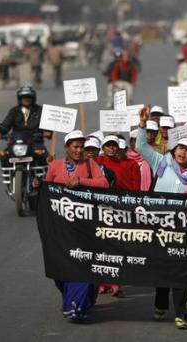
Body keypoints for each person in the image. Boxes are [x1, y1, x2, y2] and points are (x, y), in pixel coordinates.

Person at [136, 106, 187, 330]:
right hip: (160, 227)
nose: (183, 153)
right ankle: (161, 303)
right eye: (180, 148)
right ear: (174, 150)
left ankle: (181, 314)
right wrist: (143, 125)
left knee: (182, 271)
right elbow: (140, 146)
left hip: (183, 229)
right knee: (163, 268)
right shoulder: (161, 162)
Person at [41, 130, 109, 322]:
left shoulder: (90, 164)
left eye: (82, 147)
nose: (79, 150)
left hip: (84, 225)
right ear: (67, 147)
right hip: (61, 226)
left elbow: (103, 183)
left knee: (83, 264)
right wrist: (40, 185)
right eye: (75, 146)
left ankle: (76, 305)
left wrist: (82, 181)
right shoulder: (55, 165)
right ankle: (69, 296)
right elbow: (48, 191)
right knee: (60, 265)